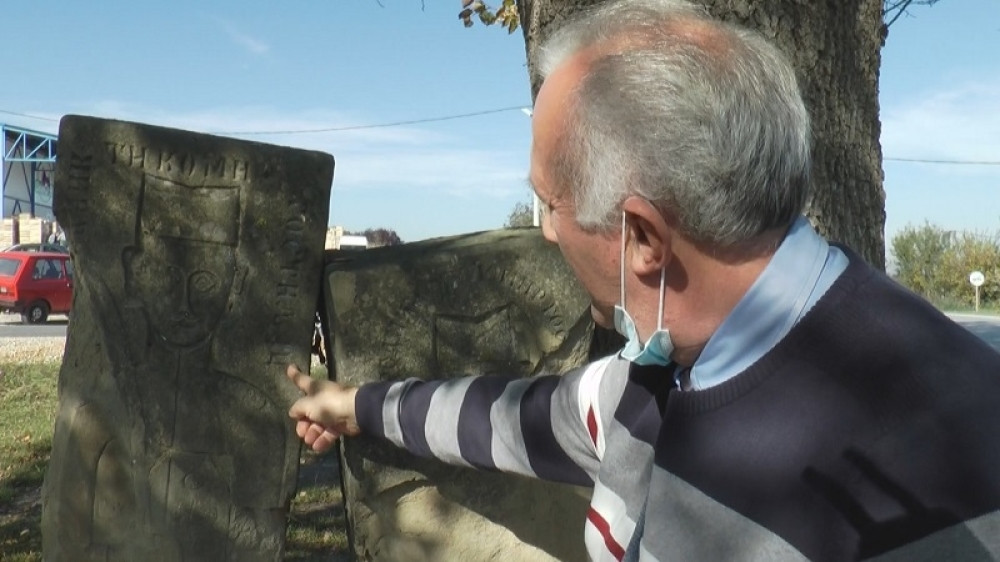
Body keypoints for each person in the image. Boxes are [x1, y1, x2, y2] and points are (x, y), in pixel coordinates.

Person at [287, 0, 1000, 559]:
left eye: (551, 203)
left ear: (643, 239)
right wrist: (352, 406)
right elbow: (512, 420)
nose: (545, 229)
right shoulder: (658, 377)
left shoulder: (948, 479)